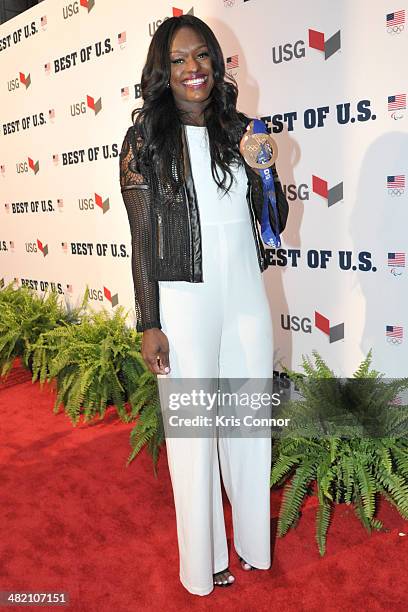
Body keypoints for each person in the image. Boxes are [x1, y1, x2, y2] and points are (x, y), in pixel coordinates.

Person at [119, 14, 288, 596]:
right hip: (183, 298)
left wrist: (265, 167)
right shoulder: (144, 140)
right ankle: (204, 559)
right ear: (163, 73)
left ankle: (250, 546)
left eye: (203, 57)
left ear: (217, 62)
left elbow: (275, 220)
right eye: (179, 60)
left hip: (245, 293)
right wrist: (149, 322)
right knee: (193, 436)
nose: (194, 70)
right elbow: (142, 239)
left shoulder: (238, 129)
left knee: (247, 423)